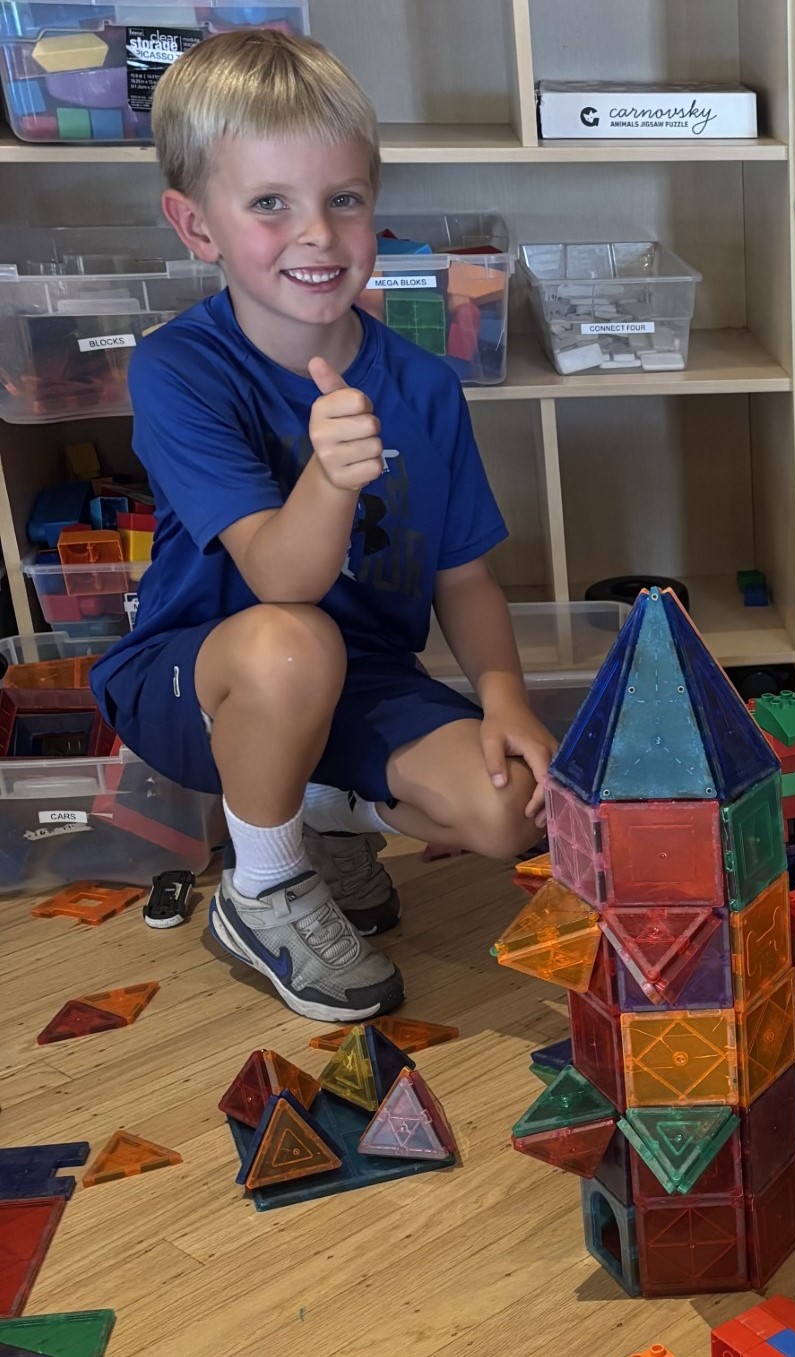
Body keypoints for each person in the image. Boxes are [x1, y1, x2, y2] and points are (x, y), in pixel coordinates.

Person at [88, 30, 556, 1022]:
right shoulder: (176, 370)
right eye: (270, 204)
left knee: (507, 807)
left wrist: (506, 700)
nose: (317, 234)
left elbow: (464, 574)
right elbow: (283, 581)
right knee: (292, 645)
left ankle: (310, 810)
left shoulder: (425, 383)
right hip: (198, 673)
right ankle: (264, 885)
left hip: (361, 673)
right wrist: (334, 475)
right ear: (196, 224)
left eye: (343, 198)